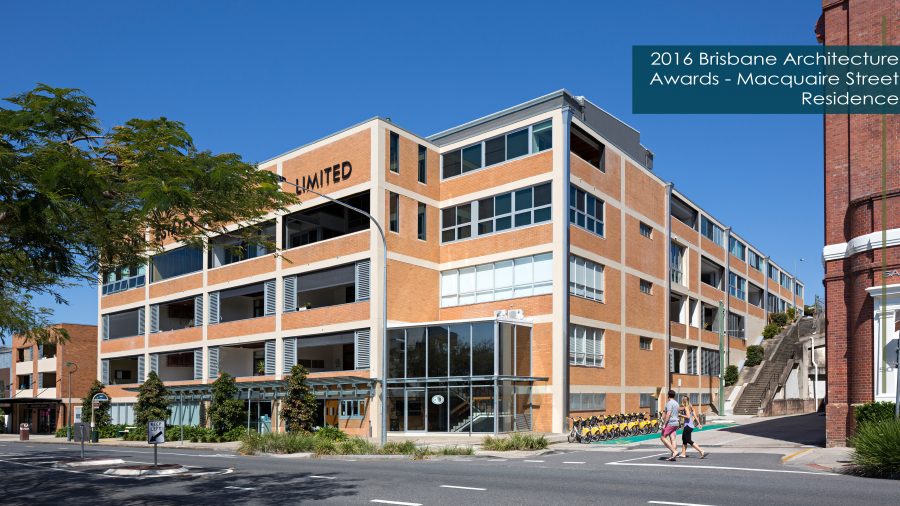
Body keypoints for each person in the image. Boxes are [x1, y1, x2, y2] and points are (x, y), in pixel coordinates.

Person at [678, 395, 707, 459]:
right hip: (690, 426)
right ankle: (683, 454)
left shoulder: (686, 407)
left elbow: (688, 417)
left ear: (684, 400)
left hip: (687, 426)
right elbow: (695, 416)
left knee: (688, 440)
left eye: (682, 399)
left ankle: (701, 450)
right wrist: (699, 423)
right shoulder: (690, 407)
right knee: (684, 440)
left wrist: (680, 415)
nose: (682, 401)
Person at [660, 389, 680, 461]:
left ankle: (674, 451)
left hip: (670, 423)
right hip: (676, 423)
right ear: (674, 396)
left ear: (668, 395)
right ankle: (673, 456)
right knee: (673, 438)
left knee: (662, 437)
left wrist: (664, 424)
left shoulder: (669, 403)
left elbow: (668, 413)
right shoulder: (677, 403)